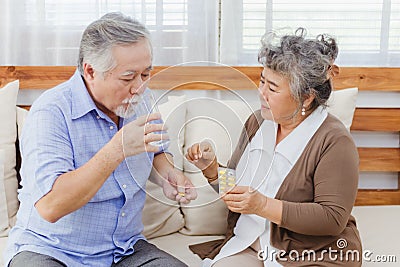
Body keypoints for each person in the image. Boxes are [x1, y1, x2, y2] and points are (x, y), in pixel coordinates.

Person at [4, 12, 196, 267]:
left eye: (146, 74)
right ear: (91, 71)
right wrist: (117, 149)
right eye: (128, 77)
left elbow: (158, 150)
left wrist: (168, 175)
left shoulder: (142, 99)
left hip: (125, 249)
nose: (139, 87)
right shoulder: (50, 113)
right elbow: (51, 206)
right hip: (51, 250)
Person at [186, 28, 362, 266]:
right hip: (249, 243)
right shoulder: (257, 122)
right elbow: (238, 189)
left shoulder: (334, 141)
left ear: (306, 97)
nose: (261, 93)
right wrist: (212, 170)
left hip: (310, 254)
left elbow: (332, 218)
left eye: (272, 88)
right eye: (261, 81)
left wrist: (263, 205)